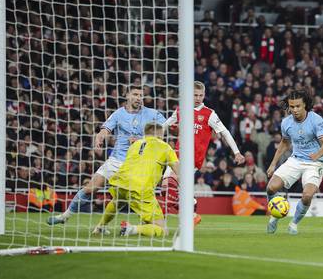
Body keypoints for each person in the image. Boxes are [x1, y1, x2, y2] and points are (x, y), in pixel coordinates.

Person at [47, 86, 166, 225]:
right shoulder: (118, 114)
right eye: (135, 94)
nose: (139, 97)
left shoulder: (152, 114)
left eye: (141, 95)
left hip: (137, 164)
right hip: (117, 160)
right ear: (127, 95)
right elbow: (105, 129)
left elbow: (164, 130)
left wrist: (142, 140)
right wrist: (99, 137)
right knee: (90, 188)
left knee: (127, 199)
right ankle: (64, 217)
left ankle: (142, 224)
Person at [161, 81, 245, 220]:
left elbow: (225, 132)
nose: (198, 98)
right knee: (166, 188)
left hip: (193, 158)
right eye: (195, 95)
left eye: (200, 95)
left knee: (172, 183)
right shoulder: (181, 109)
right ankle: (191, 208)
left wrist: (236, 152)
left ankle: (168, 216)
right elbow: (164, 126)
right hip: (176, 154)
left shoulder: (209, 114)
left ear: (204, 95)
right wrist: (147, 139)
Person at [92, 123, 178, 237]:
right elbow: (180, 171)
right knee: (162, 230)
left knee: (117, 201)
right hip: (140, 189)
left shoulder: (135, 144)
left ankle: (99, 227)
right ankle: (131, 229)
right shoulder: (165, 147)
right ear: (158, 133)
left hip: (121, 181)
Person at [266, 90, 323, 235]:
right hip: (296, 159)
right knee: (271, 188)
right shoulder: (286, 123)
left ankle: (293, 224)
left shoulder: (316, 120)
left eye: (298, 106)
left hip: (315, 162)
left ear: (305, 105)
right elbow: (284, 143)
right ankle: (275, 215)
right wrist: (273, 164)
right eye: (292, 107)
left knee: (307, 195)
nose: (294, 110)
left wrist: (317, 154)